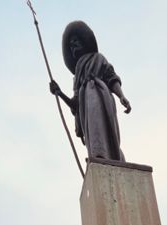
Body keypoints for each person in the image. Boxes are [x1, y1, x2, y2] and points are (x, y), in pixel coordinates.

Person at [50, 21, 131, 162]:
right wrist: (59, 92)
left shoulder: (98, 58)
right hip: (85, 104)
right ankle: (97, 155)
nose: (73, 45)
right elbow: (75, 105)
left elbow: (111, 77)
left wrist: (121, 96)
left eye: (75, 41)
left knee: (102, 125)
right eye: (71, 45)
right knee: (92, 128)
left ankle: (104, 155)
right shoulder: (77, 75)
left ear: (83, 42)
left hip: (100, 95)